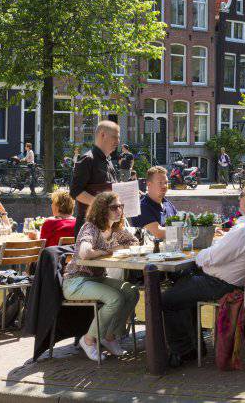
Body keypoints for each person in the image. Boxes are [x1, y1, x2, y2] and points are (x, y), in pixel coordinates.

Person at [160, 181, 245, 365]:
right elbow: (223, 252)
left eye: (242, 196)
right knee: (181, 284)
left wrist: (197, 255)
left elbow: (213, 257)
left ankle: (185, 351)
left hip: (221, 284)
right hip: (240, 281)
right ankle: (193, 346)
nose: (239, 199)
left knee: (168, 300)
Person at [63, 191, 140, 361]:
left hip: (97, 278)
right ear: (102, 210)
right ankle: (88, 340)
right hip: (76, 281)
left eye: (121, 206)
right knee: (115, 298)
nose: (119, 210)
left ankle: (109, 336)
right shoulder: (90, 228)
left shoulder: (116, 229)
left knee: (131, 291)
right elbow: (84, 253)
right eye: (114, 207)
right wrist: (110, 250)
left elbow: (135, 242)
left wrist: (119, 247)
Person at [71, 121, 120, 228]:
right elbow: (75, 191)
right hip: (89, 226)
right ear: (103, 135)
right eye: (115, 137)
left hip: (107, 227)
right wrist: (103, 205)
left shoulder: (109, 162)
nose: (118, 141)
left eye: (118, 138)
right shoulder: (87, 159)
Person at [130, 166, 177, 240]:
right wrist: (184, 230)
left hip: (171, 249)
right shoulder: (141, 207)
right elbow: (159, 233)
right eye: (160, 183)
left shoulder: (168, 204)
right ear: (149, 185)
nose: (164, 186)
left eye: (166, 182)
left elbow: (181, 222)